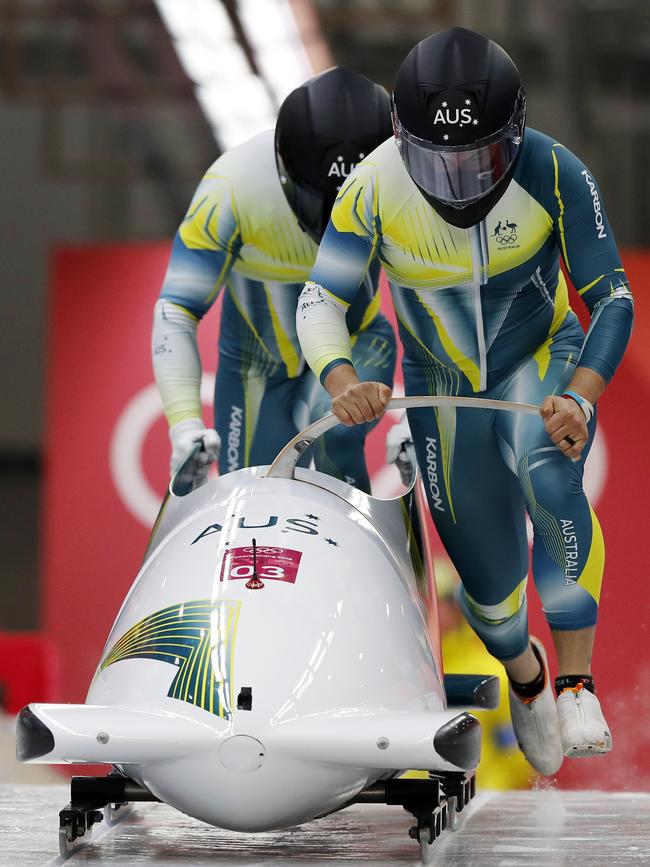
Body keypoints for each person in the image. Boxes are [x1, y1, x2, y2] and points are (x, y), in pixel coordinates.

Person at [296, 28, 634, 775]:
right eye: (433, 162)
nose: (457, 182)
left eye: (477, 159)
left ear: (513, 138)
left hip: (541, 362)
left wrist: (580, 393)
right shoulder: (372, 188)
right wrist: (342, 378)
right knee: (490, 601)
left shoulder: (557, 173)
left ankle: (578, 681)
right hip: (445, 395)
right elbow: (321, 297)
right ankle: (529, 672)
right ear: (397, 140)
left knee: (551, 479)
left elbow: (613, 297)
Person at [152, 68, 396, 492]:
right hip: (257, 365)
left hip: (352, 343)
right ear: (282, 167)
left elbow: (434, 286)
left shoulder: (403, 179)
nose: (332, 222)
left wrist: (422, 423)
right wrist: (184, 424)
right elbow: (176, 308)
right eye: (317, 199)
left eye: (351, 201)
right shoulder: (233, 188)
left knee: (336, 433)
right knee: (253, 498)